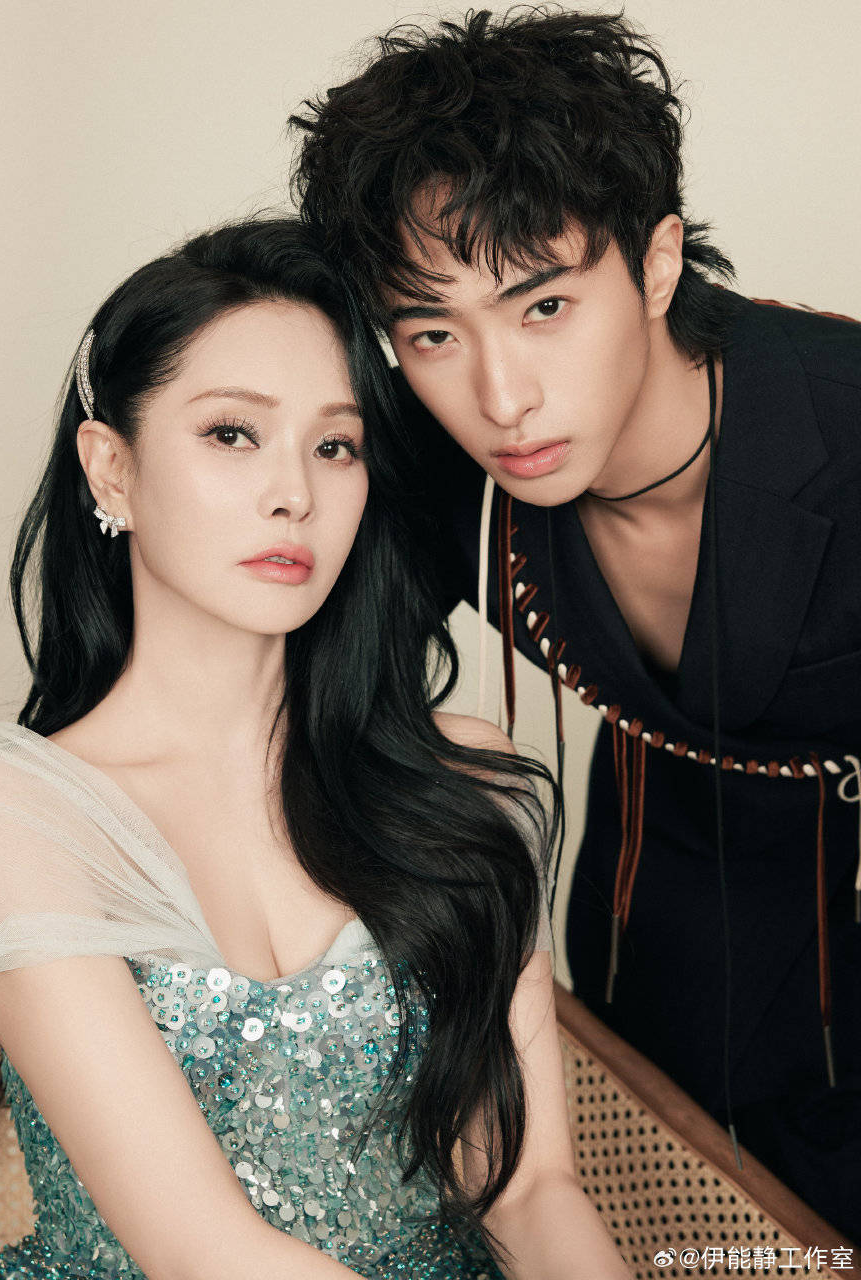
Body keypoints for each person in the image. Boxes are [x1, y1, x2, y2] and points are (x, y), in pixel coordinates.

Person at [0, 217, 632, 1280]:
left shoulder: (466, 782)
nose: (295, 492)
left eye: (336, 446)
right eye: (232, 434)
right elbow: (204, 1250)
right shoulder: (13, 812)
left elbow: (529, 1190)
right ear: (111, 470)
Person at [288, 6, 861, 1242]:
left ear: (656, 265)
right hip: (651, 940)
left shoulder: (843, 421)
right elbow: (222, 684)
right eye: (432, 332)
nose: (501, 397)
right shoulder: (435, 475)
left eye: (544, 306)